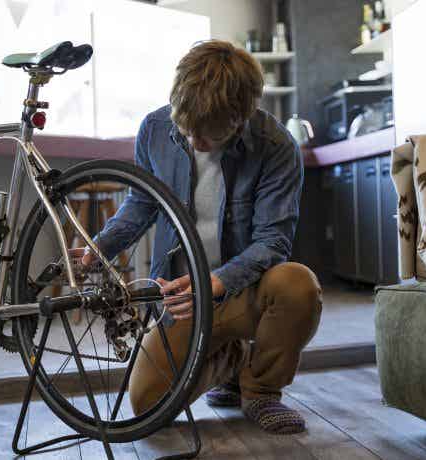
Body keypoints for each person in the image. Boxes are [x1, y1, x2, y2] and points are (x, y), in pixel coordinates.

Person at [80, 39, 322, 435]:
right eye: (185, 128)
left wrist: (213, 284)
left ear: (240, 116)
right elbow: (141, 204)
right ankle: (230, 361)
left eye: (206, 136)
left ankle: (260, 391)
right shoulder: (155, 129)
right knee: (146, 403)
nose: (194, 142)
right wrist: (98, 247)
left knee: (298, 286)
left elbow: (272, 243)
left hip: (243, 291)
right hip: (181, 299)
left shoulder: (276, 146)